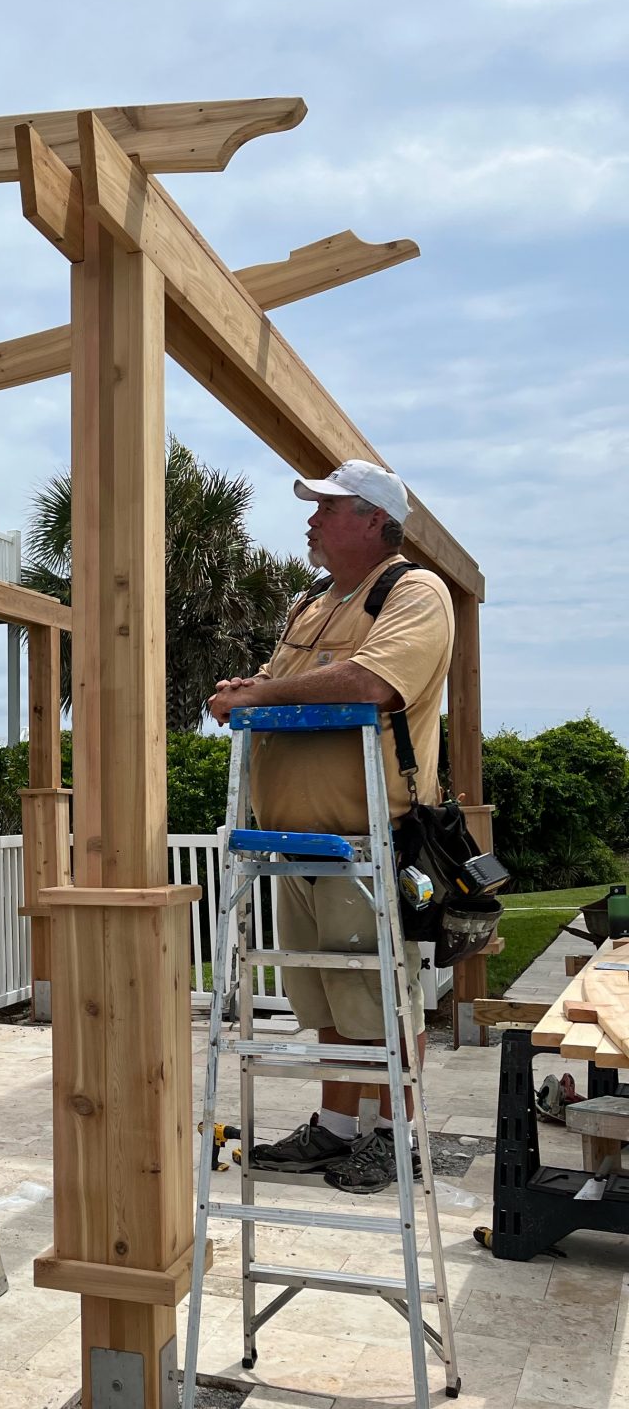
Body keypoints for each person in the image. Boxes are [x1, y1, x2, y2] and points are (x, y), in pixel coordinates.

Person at [207, 459, 454, 1195]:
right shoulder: (313, 603)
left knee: (381, 1001)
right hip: (293, 849)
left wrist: (258, 695)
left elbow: (373, 682)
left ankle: (399, 1141)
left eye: (329, 508)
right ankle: (338, 1130)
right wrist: (252, 690)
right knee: (329, 1002)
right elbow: (281, 686)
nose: (311, 519)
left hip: (365, 844)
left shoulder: (414, 592)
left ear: (376, 520)